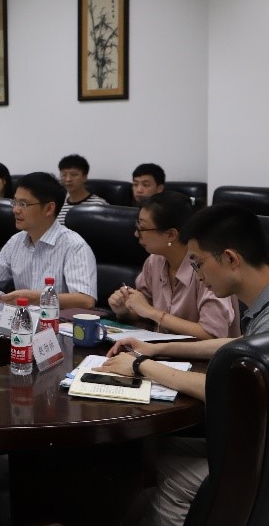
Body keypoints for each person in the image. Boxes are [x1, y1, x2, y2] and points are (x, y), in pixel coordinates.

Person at [97, 204, 269, 526]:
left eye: (199, 264)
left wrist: (141, 365)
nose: (198, 276)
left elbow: (229, 389)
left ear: (230, 259)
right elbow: (235, 345)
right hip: (252, 443)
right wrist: (157, 349)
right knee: (144, 448)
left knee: (150, 470)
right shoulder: (261, 306)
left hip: (261, 462)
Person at [0, 172, 97, 308]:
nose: (15, 210)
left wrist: (36, 298)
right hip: (20, 319)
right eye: (15, 202)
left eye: (23, 204)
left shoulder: (74, 245)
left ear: (49, 208)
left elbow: (86, 300)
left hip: (56, 322)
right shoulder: (16, 241)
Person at [108, 192, 240, 339]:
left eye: (142, 228)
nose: (136, 234)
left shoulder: (208, 267)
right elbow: (143, 312)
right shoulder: (154, 261)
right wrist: (124, 311)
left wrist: (152, 312)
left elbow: (213, 334)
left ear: (171, 234)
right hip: (160, 349)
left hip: (202, 354)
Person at [56, 154, 107, 224]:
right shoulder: (59, 204)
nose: (68, 179)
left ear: (85, 177)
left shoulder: (99, 205)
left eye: (74, 174)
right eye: (64, 175)